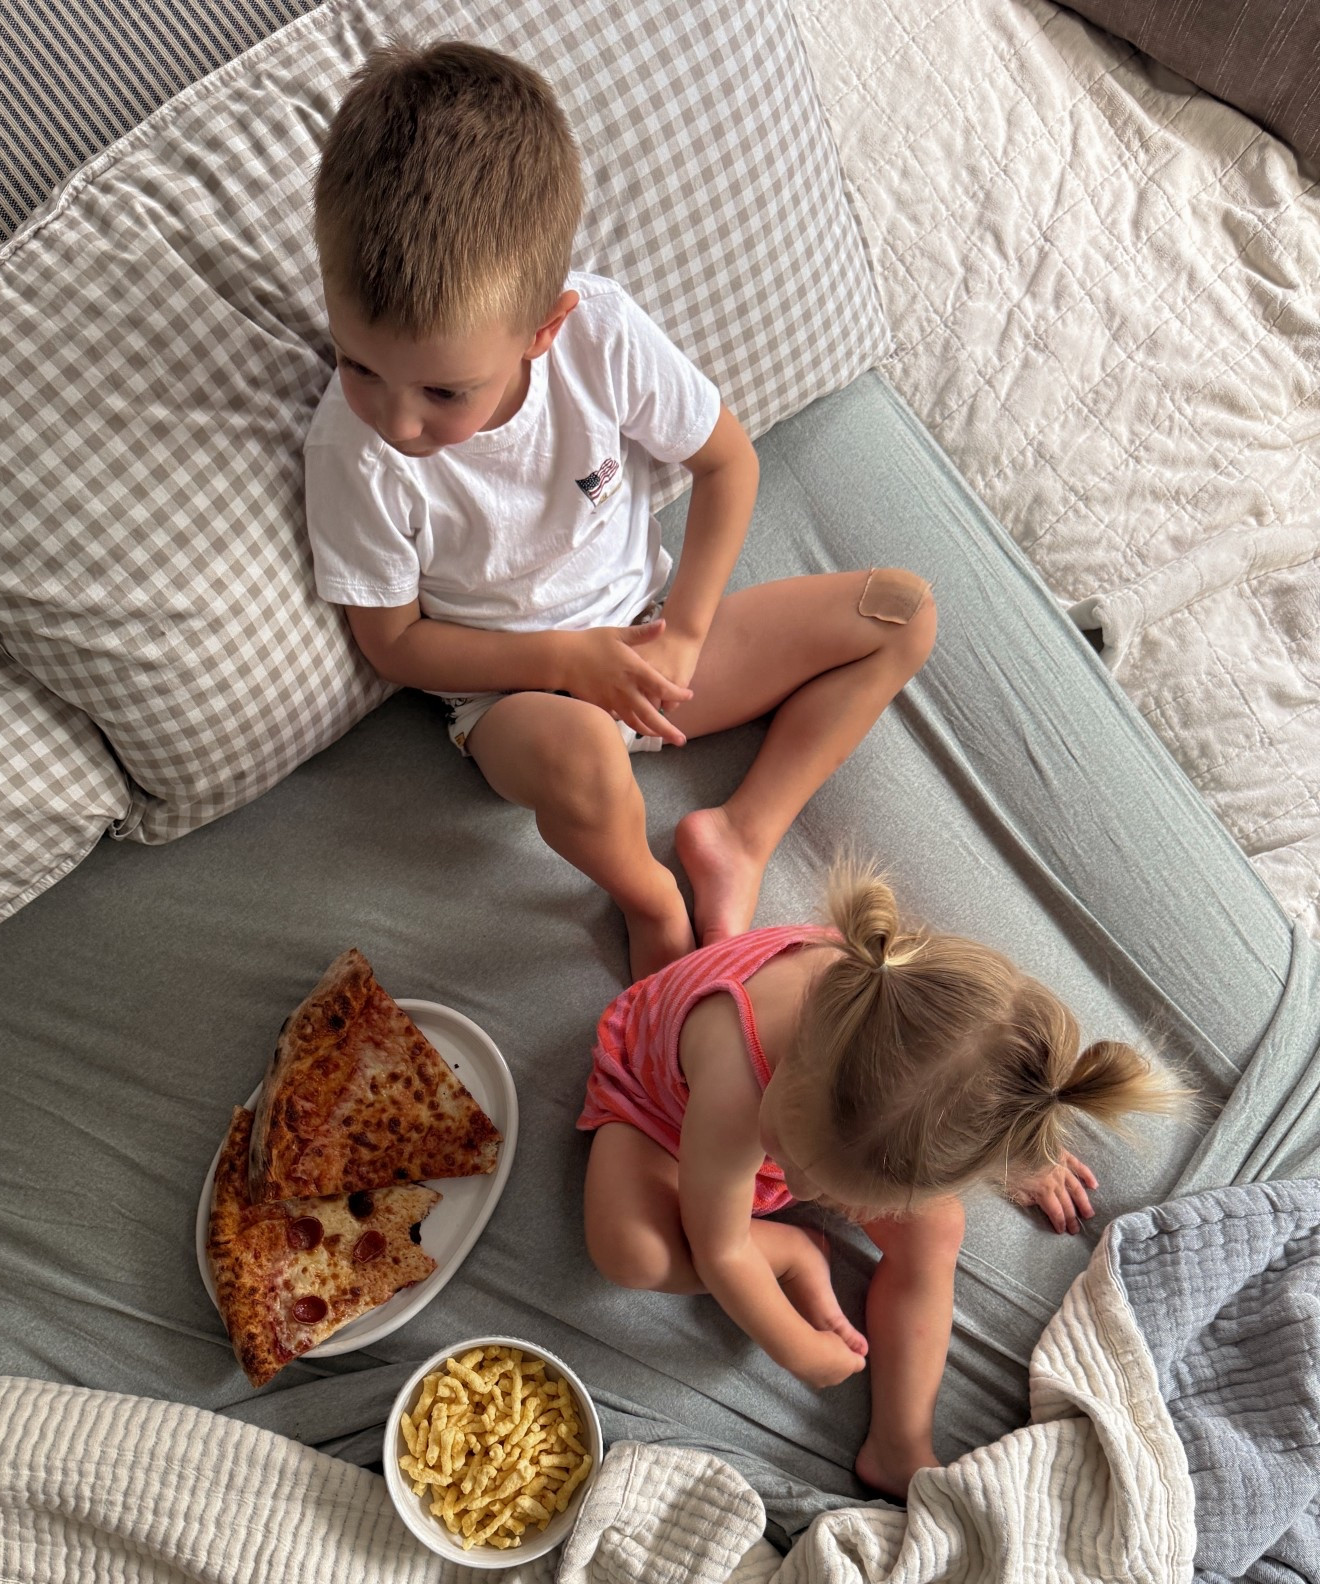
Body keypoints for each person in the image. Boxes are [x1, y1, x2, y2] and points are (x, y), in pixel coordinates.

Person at [305, 42, 936, 982]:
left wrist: (681, 636)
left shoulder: (599, 334)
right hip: (514, 696)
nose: (397, 421)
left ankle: (739, 837)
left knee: (902, 613)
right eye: (358, 365)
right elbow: (394, 645)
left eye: (443, 391)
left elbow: (726, 464)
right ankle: (648, 896)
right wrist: (561, 661)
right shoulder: (351, 450)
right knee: (583, 754)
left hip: (646, 641)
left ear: (543, 330)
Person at [580, 865, 1184, 1497]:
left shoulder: (906, 1018)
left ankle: (899, 1443)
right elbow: (720, 1247)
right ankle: (789, 1252)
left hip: (830, 1118)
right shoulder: (737, 1087)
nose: (802, 1194)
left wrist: (1011, 1146)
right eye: (796, 1159)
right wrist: (792, 1345)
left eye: (831, 1190)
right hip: (664, 1107)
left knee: (939, 1226)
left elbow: (966, 1082)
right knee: (632, 1250)